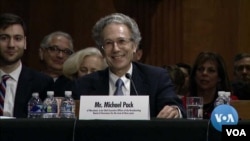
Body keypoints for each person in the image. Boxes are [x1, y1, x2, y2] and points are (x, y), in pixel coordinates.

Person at [72, 13, 186, 118]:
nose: (116, 49)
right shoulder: (84, 85)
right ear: (102, 50)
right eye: (108, 43)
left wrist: (174, 111)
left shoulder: (156, 78)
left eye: (121, 41)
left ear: (134, 46)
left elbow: (176, 108)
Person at [0, 13, 54, 118]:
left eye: (17, 38)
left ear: (25, 43)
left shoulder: (42, 83)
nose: (11, 45)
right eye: (4, 38)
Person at [187, 51, 238, 119]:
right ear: (194, 75)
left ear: (219, 77)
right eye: (200, 69)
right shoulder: (183, 103)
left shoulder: (231, 102)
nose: (204, 73)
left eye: (211, 70)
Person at [39, 31, 74, 97]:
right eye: (54, 49)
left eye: (66, 51)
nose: (60, 55)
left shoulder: (74, 85)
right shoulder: (31, 81)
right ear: (42, 52)